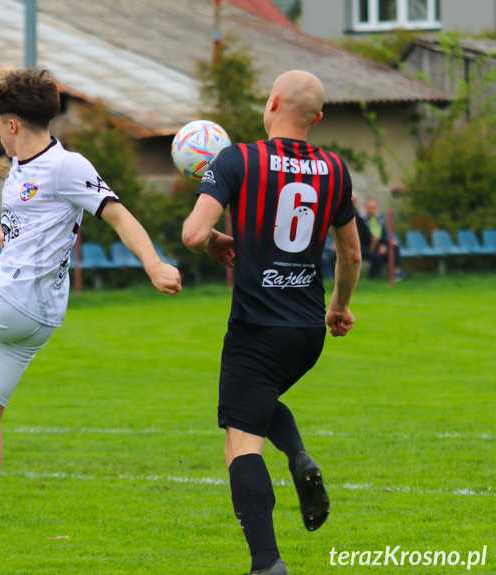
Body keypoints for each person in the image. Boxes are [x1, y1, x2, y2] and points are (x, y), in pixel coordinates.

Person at [0, 67, 182, 570]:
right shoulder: (20, 167)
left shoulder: (65, 166)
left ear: (11, 123)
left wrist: (154, 263)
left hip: (8, 301)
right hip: (36, 317)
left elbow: (117, 213)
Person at [182, 70, 361, 575]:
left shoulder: (238, 158)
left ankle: (267, 563)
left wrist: (217, 238)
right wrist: (339, 307)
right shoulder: (334, 168)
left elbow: (193, 233)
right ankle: (300, 456)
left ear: (272, 102)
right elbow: (351, 254)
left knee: (240, 439)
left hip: (257, 326)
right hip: (307, 330)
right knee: (258, 403)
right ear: (318, 118)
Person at [363, 197, 406, 280]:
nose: (370, 210)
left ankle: (396, 271)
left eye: (372, 207)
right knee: (381, 255)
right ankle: (393, 272)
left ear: (376, 208)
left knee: (393, 246)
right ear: (366, 208)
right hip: (368, 244)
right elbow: (364, 236)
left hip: (379, 243)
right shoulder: (362, 220)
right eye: (369, 207)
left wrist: (384, 244)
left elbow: (384, 233)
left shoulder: (379, 218)